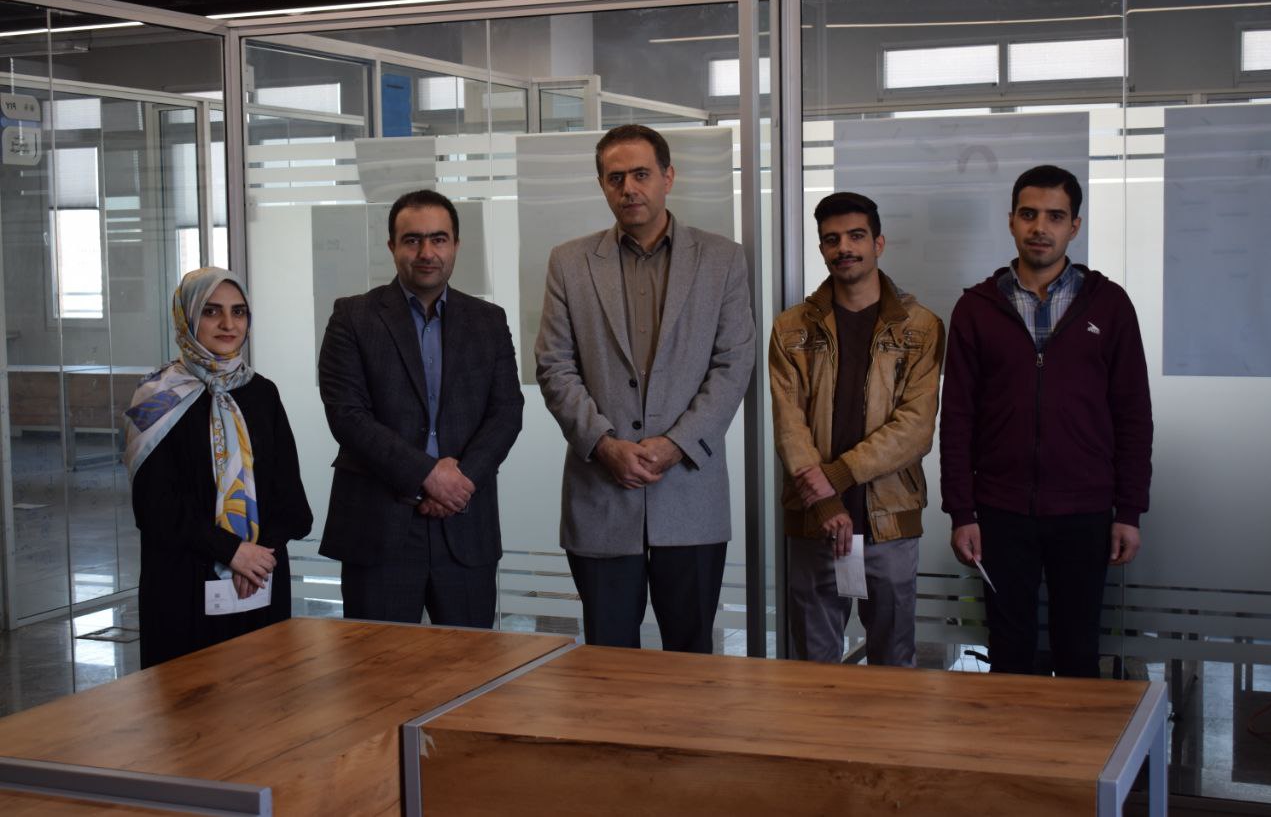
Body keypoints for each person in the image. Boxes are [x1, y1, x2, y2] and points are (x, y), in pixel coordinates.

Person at [535, 124, 755, 653]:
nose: (629, 188)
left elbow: (733, 364)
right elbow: (554, 365)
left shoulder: (722, 259)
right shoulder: (569, 262)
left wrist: (677, 443)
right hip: (602, 491)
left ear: (667, 177)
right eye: (615, 178)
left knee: (691, 656)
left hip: (691, 494)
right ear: (602, 185)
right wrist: (603, 444)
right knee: (608, 658)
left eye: (641, 174)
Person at [941, 164, 1153, 677]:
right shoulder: (976, 308)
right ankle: (1014, 734)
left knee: (1078, 649)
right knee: (1009, 650)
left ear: (1074, 226)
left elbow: (1133, 415)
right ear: (1011, 220)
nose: (1041, 227)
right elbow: (958, 419)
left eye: (1055, 216)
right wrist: (961, 512)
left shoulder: (1110, 305)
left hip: (1084, 510)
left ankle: (1075, 735)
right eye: (1029, 214)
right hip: (1000, 510)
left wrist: (1129, 510)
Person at [318, 189, 522, 627]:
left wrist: (460, 482)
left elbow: (507, 411)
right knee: (378, 663)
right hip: (379, 525)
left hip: (465, 524)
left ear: (456, 245)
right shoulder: (352, 317)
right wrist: (428, 475)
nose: (426, 252)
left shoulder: (489, 321)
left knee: (469, 663)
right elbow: (347, 416)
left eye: (438, 239)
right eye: (412, 240)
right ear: (392, 246)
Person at [768, 192, 943, 665]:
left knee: (893, 665)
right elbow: (789, 425)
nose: (844, 247)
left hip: (889, 519)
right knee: (814, 667)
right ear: (822, 249)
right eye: (832, 239)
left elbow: (915, 429)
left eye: (856, 236)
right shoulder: (790, 329)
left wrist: (835, 478)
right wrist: (824, 500)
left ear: (878, 243)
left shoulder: (922, 327)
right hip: (815, 521)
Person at [126, 267, 312, 668]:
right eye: (212, 311)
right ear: (187, 318)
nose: (229, 324)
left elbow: (289, 497)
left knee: (265, 693)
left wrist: (257, 557)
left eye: (238, 312)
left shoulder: (262, 393)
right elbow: (154, 506)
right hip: (183, 586)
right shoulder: (155, 397)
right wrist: (232, 552)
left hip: (261, 579)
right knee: (186, 698)